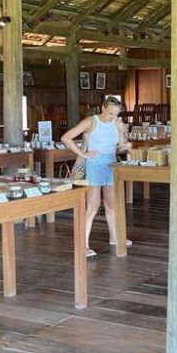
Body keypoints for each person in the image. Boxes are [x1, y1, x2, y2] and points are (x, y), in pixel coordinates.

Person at [62, 96, 131, 257]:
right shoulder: (91, 122)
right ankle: (83, 245)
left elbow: (119, 148)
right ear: (103, 108)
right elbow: (66, 137)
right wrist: (83, 154)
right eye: (110, 113)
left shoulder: (118, 123)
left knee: (111, 204)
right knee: (93, 206)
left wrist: (125, 144)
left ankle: (115, 237)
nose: (113, 117)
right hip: (94, 165)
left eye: (116, 114)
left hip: (111, 165)